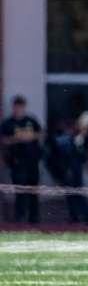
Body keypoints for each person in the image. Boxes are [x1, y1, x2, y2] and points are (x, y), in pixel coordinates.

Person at [1, 95, 44, 224]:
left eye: (21, 106)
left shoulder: (31, 120)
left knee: (33, 190)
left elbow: (41, 134)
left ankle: (34, 218)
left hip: (32, 161)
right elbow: (3, 140)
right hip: (17, 162)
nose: (18, 109)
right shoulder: (8, 123)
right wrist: (17, 138)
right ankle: (20, 217)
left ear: (24, 107)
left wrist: (30, 136)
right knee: (20, 189)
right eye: (16, 107)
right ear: (13, 107)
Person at [45, 117, 88, 224]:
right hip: (64, 169)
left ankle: (86, 217)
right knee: (71, 194)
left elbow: (82, 154)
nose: (68, 129)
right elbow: (51, 156)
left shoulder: (78, 137)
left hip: (75, 169)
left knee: (78, 193)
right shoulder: (55, 137)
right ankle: (75, 217)